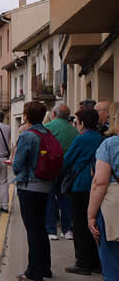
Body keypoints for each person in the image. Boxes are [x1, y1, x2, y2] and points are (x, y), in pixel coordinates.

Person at [13, 100, 53, 281]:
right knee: (40, 228)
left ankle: (33, 272)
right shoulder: (47, 132)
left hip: (29, 186)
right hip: (45, 185)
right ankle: (45, 268)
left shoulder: (27, 136)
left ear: (26, 116)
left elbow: (17, 164)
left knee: (32, 230)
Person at [61, 109, 104, 275]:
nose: (75, 124)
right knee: (95, 225)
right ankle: (96, 262)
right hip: (98, 186)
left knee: (80, 226)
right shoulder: (101, 138)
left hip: (80, 186)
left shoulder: (81, 139)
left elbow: (67, 161)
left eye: (76, 122)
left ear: (83, 123)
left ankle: (83, 263)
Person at [88, 102, 119, 280]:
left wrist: (91, 216)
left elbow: (99, 183)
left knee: (112, 260)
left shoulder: (110, 145)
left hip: (113, 208)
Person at [45, 103, 79, 239]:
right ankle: (67, 230)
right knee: (65, 198)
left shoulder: (48, 128)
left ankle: (51, 230)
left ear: (54, 114)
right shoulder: (74, 131)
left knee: (50, 198)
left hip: (51, 168)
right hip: (68, 169)